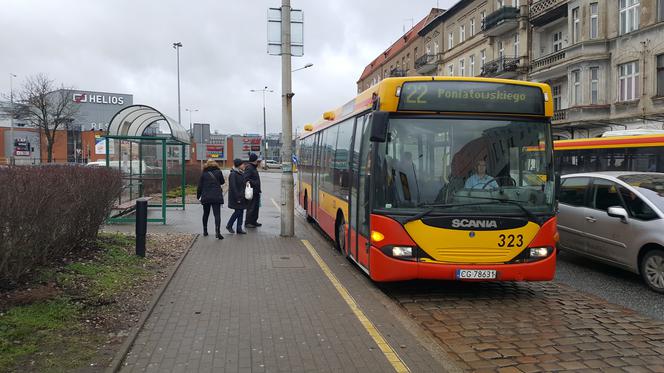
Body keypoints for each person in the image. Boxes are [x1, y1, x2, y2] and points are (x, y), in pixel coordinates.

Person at [196, 159, 225, 239]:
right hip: (216, 196)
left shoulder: (204, 174)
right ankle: (217, 232)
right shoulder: (218, 172)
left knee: (206, 213)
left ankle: (205, 231)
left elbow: (200, 186)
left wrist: (198, 196)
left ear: (207, 165)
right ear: (215, 164)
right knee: (217, 214)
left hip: (206, 196)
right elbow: (222, 182)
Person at [226, 158, 248, 234]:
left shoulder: (241, 173)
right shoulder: (233, 174)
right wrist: (238, 197)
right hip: (236, 197)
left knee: (241, 211)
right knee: (238, 211)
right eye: (242, 164)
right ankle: (229, 225)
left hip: (241, 196)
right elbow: (233, 187)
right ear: (238, 165)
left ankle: (239, 228)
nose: (244, 165)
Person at [244, 153, 262, 228]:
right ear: (254, 160)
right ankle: (248, 222)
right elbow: (246, 179)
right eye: (256, 159)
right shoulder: (249, 168)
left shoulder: (253, 167)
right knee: (251, 207)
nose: (257, 161)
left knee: (256, 207)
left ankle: (254, 221)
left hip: (256, 191)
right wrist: (254, 183)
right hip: (252, 191)